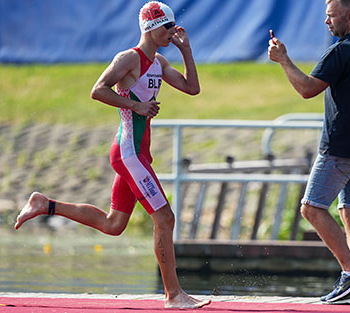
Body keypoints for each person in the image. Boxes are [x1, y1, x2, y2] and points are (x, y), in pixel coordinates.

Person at [15, 1, 210, 309]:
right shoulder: (128, 58)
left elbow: (192, 88)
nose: (172, 33)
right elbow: (98, 89)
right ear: (151, 28)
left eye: (173, 28)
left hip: (140, 153)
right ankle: (174, 296)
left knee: (113, 224)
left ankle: (45, 204)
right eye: (168, 28)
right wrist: (136, 105)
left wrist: (187, 51)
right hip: (128, 152)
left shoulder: (159, 61)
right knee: (165, 217)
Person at [268, 0, 350, 305]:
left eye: (330, 16)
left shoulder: (342, 50)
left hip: (339, 148)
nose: (326, 22)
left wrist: (284, 60)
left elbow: (308, 88)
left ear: (349, 17)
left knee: (311, 208)